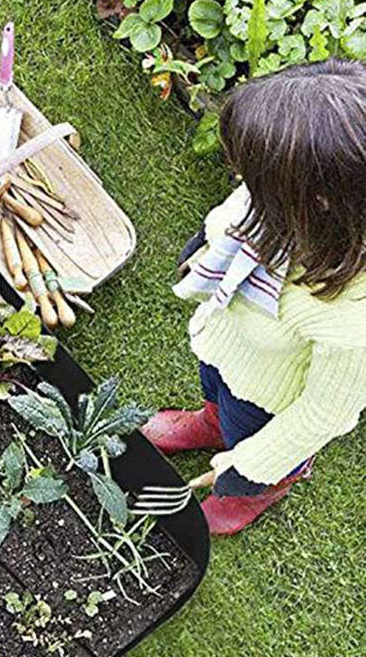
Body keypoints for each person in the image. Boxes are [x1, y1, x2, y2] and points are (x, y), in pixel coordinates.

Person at [142, 59, 366, 535]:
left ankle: (258, 491)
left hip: (271, 398)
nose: (242, 181)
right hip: (228, 342)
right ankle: (213, 422)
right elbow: (234, 212)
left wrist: (250, 461)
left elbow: (324, 413)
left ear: (320, 200)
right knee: (217, 387)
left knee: (250, 438)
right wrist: (204, 247)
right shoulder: (281, 204)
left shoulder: (352, 318)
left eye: (255, 177)